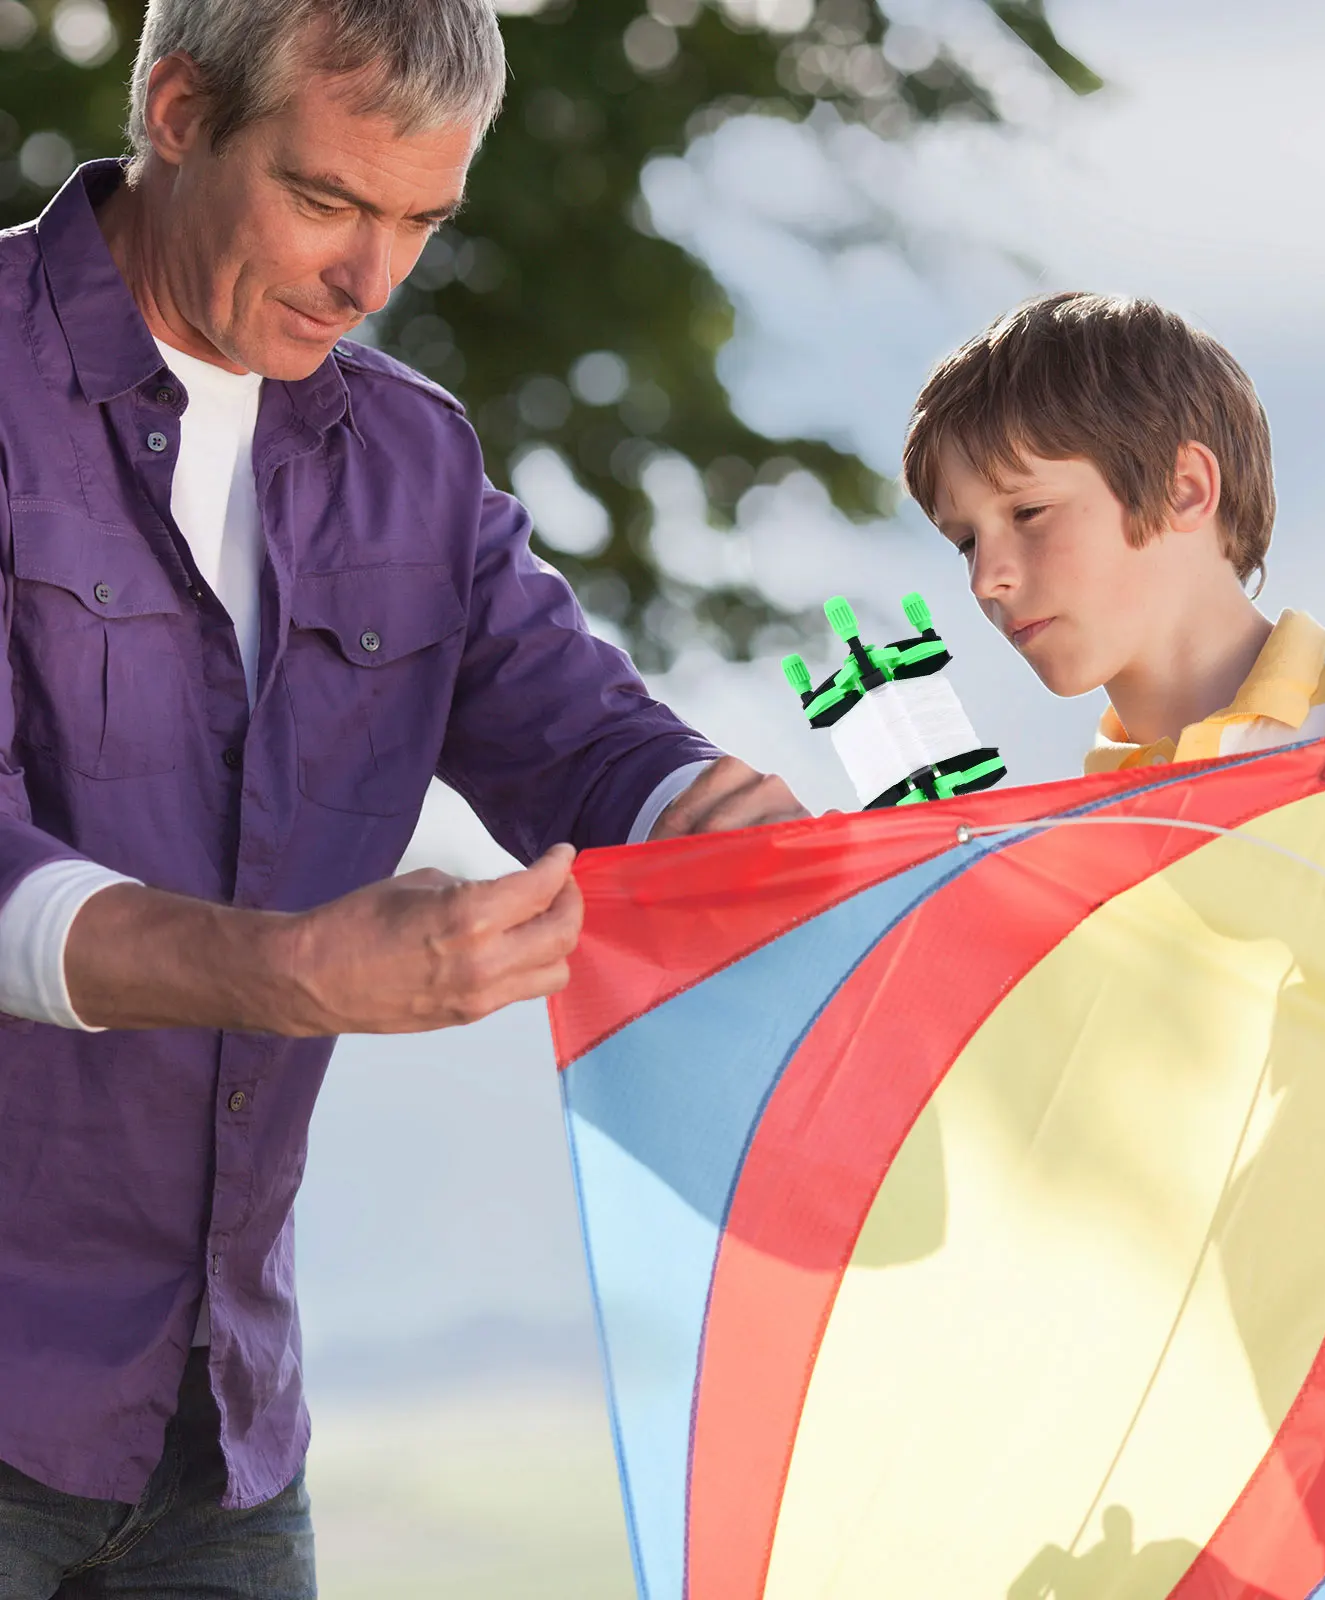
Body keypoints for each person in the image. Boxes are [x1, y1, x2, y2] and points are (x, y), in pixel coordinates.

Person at [0, 0, 804, 1593]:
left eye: (422, 221)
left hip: (223, 1433)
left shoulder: (414, 466)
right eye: (326, 200)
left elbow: (586, 742)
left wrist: (721, 825)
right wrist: (294, 971)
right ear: (176, 109)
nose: (373, 281)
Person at [902, 291, 1325, 1166]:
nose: (987, 580)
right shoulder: (1083, 848)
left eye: (1028, 513)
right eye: (965, 541)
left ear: (1187, 488)